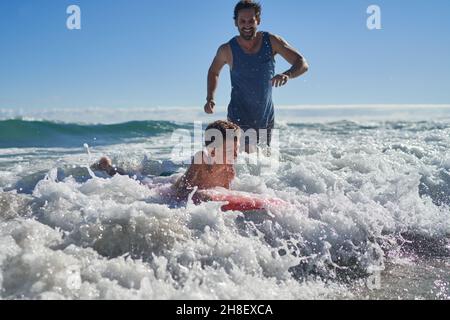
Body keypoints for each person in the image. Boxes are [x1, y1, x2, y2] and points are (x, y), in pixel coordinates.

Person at [204, 0, 309, 148]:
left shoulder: (271, 41)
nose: (247, 25)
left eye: (251, 20)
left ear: (258, 20)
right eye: (242, 21)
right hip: (238, 116)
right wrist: (210, 98)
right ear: (236, 22)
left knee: (263, 164)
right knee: (240, 160)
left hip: (265, 116)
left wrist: (288, 74)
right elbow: (214, 71)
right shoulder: (227, 49)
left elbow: (302, 62)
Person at [91, 120, 241, 202]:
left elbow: (226, 196)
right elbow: (182, 189)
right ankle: (108, 167)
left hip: (175, 180)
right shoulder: (201, 160)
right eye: (229, 150)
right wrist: (201, 195)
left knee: (141, 179)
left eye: (237, 150)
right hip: (168, 188)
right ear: (213, 151)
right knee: (136, 182)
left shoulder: (229, 172)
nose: (235, 155)